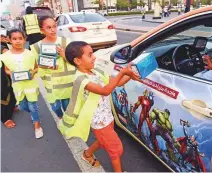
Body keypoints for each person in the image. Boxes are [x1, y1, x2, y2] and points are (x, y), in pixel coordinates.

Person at [59, 41, 140, 172]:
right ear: (78, 61)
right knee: (116, 149)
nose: (94, 57)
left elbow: (116, 83)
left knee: (103, 141)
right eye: (90, 55)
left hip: (107, 116)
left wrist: (130, 75)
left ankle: (87, 154)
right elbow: (105, 91)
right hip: (98, 122)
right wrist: (123, 72)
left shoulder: (95, 71)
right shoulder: (81, 79)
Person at [30, 16, 76, 119]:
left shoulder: (66, 42)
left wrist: (64, 55)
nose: (53, 30)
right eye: (49, 27)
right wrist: (45, 64)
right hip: (51, 84)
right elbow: (36, 66)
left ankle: (67, 123)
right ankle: (60, 118)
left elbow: (76, 62)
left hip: (67, 83)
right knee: (55, 108)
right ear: (42, 30)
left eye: (54, 26)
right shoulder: (36, 47)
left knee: (67, 107)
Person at [1, 29, 43, 138]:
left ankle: (37, 125)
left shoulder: (30, 54)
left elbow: (36, 68)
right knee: (23, 106)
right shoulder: (5, 56)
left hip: (31, 84)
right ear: (9, 40)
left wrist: (31, 73)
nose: (18, 41)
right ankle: (35, 114)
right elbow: (6, 69)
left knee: (32, 105)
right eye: (14, 39)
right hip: (18, 85)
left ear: (25, 40)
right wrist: (11, 73)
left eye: (20, 38)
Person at [0, 35, 17, 128]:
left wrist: (8, 41)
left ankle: (11, 105)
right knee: (2, 92)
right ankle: (5, 118)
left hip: (3, 65)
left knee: (8, 85)